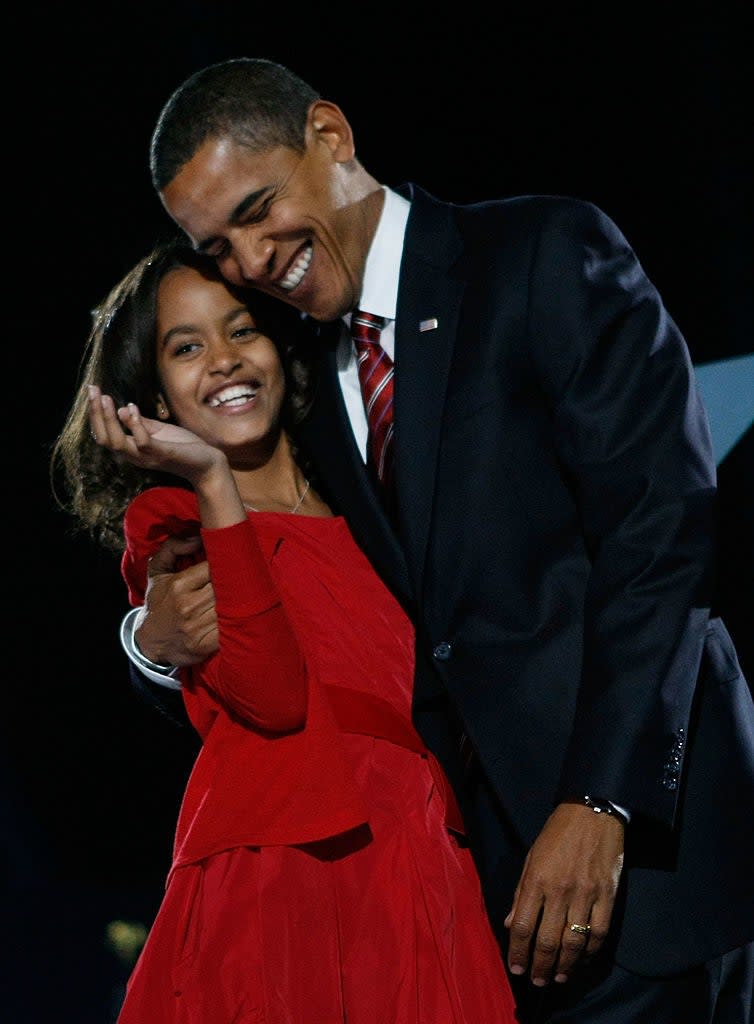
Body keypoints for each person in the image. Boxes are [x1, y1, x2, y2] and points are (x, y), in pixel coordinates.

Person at [122, 58, 754, 1022]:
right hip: (479, 901)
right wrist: (149, 646)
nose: (250, 261)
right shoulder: (305, 383)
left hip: (640, 859)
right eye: (220, 246)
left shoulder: (541, 252)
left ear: (328, 137)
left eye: (257, 210)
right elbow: (297, 635)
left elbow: (661, 533)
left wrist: (602, 802)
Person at [51, 239, 518, 1024]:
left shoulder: (369, 492)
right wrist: (208, 478)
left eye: (243, 330)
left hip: (417, 850)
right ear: (155, 397)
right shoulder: (169, 524)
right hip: (282, 863)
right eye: (187, 346)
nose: (226, 360)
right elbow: (270, 696)